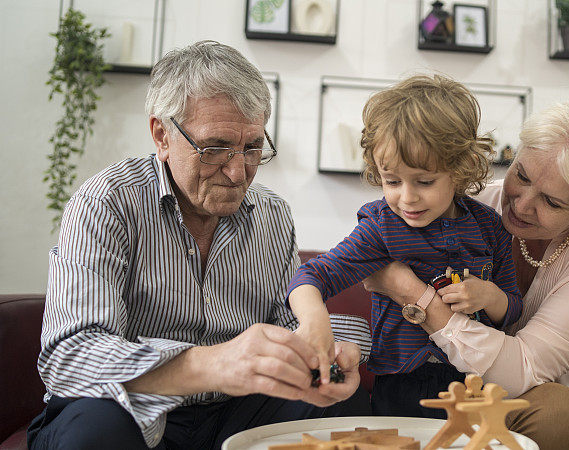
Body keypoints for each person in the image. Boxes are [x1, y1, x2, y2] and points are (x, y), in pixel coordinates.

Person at [28, 41, 371, 450]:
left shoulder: (272, 213)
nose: (237, 171)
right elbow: (73, 355)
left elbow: (288, 325)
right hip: (132, 409)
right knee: (96, 433)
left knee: (342, 412)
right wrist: (210, 363)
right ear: (162, 135)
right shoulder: (106, 202)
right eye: (214, 148)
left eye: (252, 147)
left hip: (234, 410)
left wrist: (328, 351)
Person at [363, 99, 569, 449]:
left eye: (552, 202)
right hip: (476, 387)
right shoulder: (467, 206)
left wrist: (412, 293)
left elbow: (525, 369)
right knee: (555, 412)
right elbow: (372, 246)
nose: (519, 205)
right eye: (521, 175)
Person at [286, 75, 523, 418]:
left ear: (459, 170)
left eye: (424, 182)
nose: (407, 198)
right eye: (392, 181)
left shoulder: (490, 228)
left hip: (475, 384)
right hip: (401, 385)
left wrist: (490, 297)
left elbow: (513, 308)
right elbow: (311, 275)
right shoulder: (382, 226)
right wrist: (313, 320)